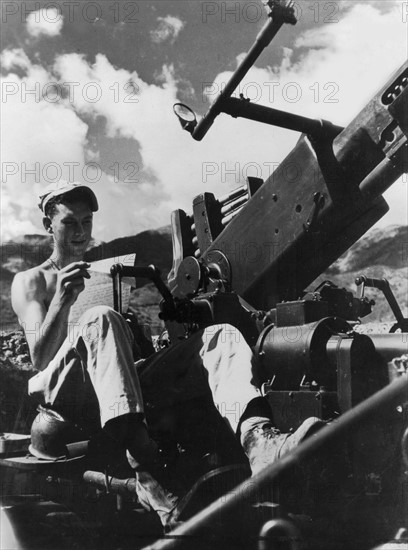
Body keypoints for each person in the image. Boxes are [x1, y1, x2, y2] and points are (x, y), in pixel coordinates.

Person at [11, 181, 323, 528]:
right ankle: (146, 473)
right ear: (48, 226)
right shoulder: (30, 282)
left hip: (115, 383)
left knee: (219, 336)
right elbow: (39, 357)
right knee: (101, 318)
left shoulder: (106, 274)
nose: (81, 232)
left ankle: (259, 441)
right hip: (67, 390)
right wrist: (61, 302)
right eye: (70, 222)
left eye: (86, 222)